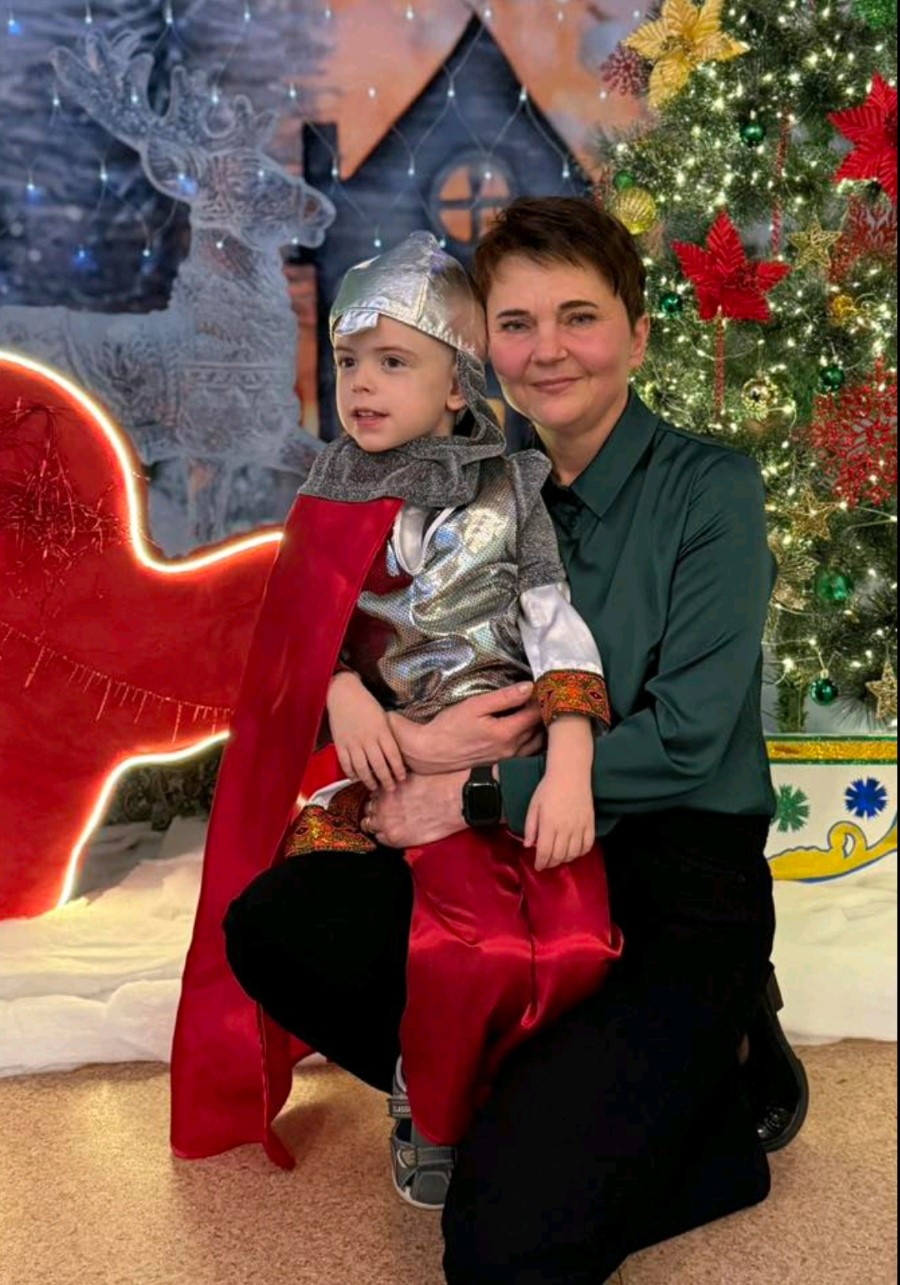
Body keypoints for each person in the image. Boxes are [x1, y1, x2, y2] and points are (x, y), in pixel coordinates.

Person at [195, 197, 810, 1284]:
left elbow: (686, 739)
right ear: (485, 351)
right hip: (509, 864)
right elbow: (349, 617)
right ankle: (506, 1089)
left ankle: (712, 1096)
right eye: (517, 324)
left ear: (637, 333)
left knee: (502, 1244)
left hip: (671, 871)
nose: (548, 349)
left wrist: (474, 786)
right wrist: (369, 705)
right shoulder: (474, 481)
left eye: (580, 317)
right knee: (278, 921)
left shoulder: (708, 490)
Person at [169, 231, 623, 1208]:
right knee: (321, 926)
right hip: (379, 783)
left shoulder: (512, 490)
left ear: (457, 382)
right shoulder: (329, 493)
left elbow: (560, 636)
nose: (362, 385)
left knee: (546, 947)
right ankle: (431, 1089)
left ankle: (486, 1095)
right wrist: (340, 688)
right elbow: (292, 643)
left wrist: (563, 754)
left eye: (393, 361)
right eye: (347, 361)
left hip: (492, 777)